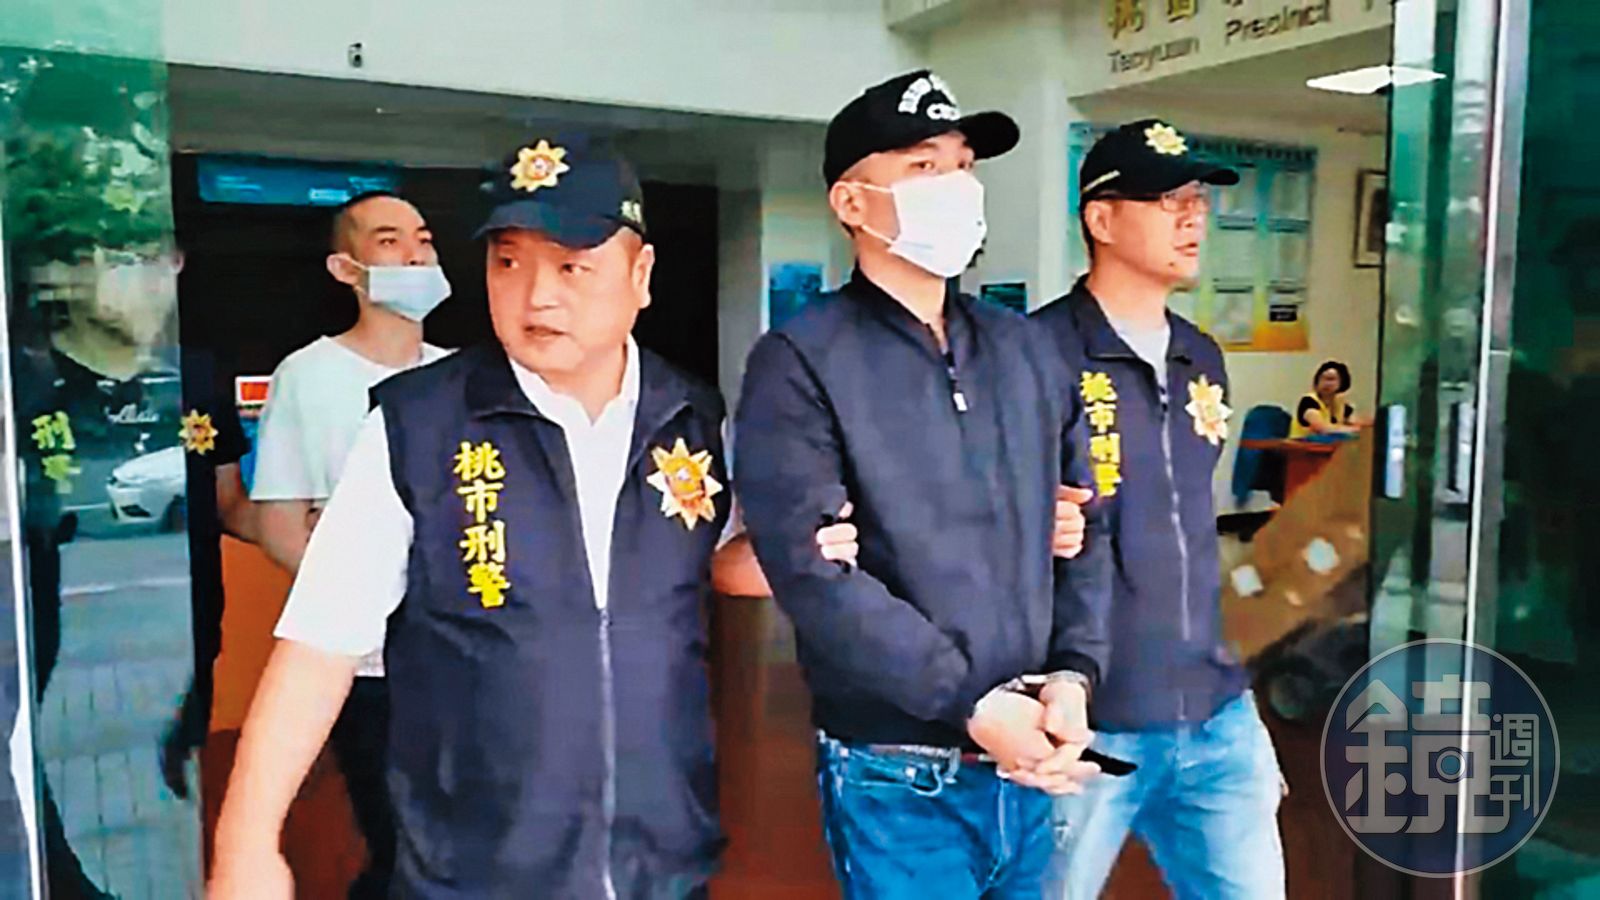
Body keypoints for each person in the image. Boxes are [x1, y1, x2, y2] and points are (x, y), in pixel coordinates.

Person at [209, 136, 853, 899]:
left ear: (641, 276)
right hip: (478, 871)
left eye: (572, 266)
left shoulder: (689, 416)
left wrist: (815, 543)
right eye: (508, 262)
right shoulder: (419, 426)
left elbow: (715, 563)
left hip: (662, 863)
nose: (536, 295)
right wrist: (246, 842)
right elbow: (319, 645)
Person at [734, 70, 1112, 900]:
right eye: (923, 167)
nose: (959, 187)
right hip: (898, 771)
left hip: (1033, 756)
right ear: (852, 202)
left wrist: (1075, 675)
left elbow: (1084, 526)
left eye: (964, 165)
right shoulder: (801, 360)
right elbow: (815, 574)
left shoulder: (1025, 350)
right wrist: (971, 701)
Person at [1032, 119, 1287, 899]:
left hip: (1215, 710)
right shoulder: (1033, 354)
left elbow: (1189, 534)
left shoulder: (1199, 355)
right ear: (1101, 219)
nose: (1193, 217)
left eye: (1197, 200)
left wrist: (1244, 709)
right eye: (1167, 200)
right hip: (1086, 717)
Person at [247, 190, 452, 897]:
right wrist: (379, 593)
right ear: (345, 267)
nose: (415, 255)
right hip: (368, 666)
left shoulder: (463, 376)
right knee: (398, 842)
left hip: (465, 656)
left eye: (424, 239)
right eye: (390, 240)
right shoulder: (308, 377)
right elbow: (280, 527)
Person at [160, 344, 258, 799]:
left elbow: (228, 497)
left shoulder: (200, 376)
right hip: (131, 563)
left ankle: (182, 747)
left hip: (197, 567)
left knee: (202, 661)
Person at [1290, 359, 1364, 437]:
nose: (1326, 383)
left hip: (1328, 443)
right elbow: (1321, 428)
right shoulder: (1308, 401)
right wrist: (1351, 429)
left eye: (1331, 379)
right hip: (1303, 443)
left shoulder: (1339, 403)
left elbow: (1354, 421)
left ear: (1342, 383)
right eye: (1322, 379)